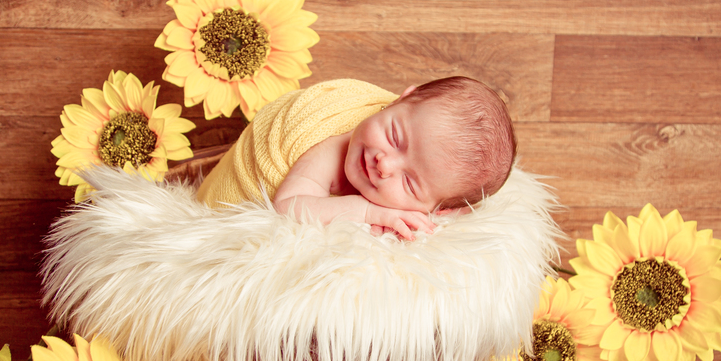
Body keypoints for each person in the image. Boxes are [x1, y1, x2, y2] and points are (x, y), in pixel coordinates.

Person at [196, 76, 516, 239]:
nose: (384, 163)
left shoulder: (438, 196)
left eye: (410, 183)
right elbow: (287, 206)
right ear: (400, 99)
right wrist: (366, 212)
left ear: (437, 209)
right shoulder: (334, 146)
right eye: (394, 136)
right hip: (221, 211)